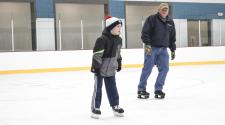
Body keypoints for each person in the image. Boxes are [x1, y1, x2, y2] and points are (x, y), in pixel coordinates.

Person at [137, 3, 176, 99]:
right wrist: (148, 45)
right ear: (158, 10)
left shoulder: (170, 21)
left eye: (166, 9)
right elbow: (144, 33)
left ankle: (158, 89)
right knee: (147, 69)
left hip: (163, 49)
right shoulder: (152, 19)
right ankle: (141, 89)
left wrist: (173, 49)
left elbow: (172, 37)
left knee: (165, 68)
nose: (164, 11)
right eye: (162, 9)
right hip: (151, 47)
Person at [90, 16, 124, 119]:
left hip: (111, 68)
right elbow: (97, 54)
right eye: (118, 26)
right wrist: (96, 67)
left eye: (120, 26)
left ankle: (115, 105)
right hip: (100, 69)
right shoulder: (102, 39)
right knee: (98, 89)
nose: (119, 29)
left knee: (112, 88)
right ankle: (95, 107)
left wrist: (119, 62)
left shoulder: (119, 40)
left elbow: (118, 53)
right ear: (111, 27)